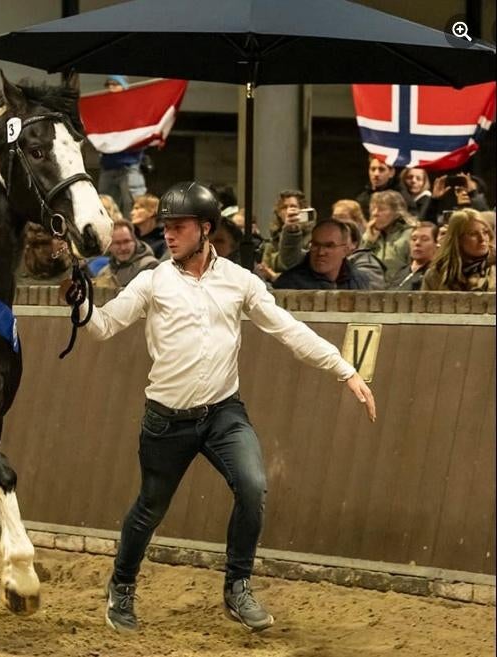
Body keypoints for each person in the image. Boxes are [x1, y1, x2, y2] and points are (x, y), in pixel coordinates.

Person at [63, 181, 376, 634]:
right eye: (166, 227)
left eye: (179, 227)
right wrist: (83, 307)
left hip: (223, 414)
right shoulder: (152, 280)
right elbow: (106, 327)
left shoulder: (239, 281)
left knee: (252, 487)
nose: (168, 235)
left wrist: (344, 369)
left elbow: (287, 329)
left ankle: (237, 586)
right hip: (166, 418)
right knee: (150, 506)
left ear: (205, 229)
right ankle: (123, 586)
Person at [96, 75, 147, 215]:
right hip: (108, 166)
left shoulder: (134, 110)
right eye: (108, 84)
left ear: (124, 87)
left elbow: (141, 134)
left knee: (134, 206)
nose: (111, 87)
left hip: (129, 166)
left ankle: (132, 235)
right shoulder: (103, 111)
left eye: (115, 84)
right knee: (104, 207)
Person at [273, 220, 372, 290]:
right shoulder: (289, 283)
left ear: (345, 250)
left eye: (329, 246)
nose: (320, 252)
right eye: (315, 245)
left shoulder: (359, 280)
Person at [422, 209, 494, 291]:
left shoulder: (493, 268)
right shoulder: (435, 275)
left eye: (485, 232)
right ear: (457, 239)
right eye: (473, 234)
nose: (482, 239)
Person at [94, 220, 158, 288]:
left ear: (134, 241)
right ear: (109, 246)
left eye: (126, 241)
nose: (123, 248)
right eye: (117, 243)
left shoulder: (150, 266)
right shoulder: (104, 273)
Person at [390, 222, 438, 291]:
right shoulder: (400, 272)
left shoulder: (435, 275)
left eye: (424, 239)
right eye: (414, 239)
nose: (417, 243)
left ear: (436, 244)